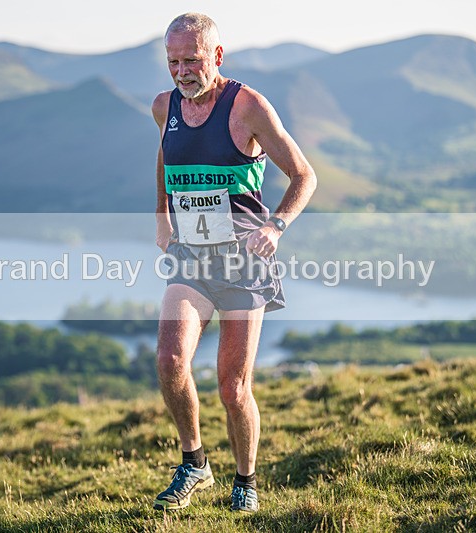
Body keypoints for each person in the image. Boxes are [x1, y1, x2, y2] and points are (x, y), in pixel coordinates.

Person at [150, 13, 317, 513]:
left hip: (244, 261)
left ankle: (245, 480)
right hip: (193, 259)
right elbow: (165, 155)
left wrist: (276, 225)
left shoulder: (248, 107)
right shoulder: (165, 106)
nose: (182, 72)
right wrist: (161, 216)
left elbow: (303, 176)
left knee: (233, 387)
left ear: (217, 56)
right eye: (173, 62)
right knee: (170, 360)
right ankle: (194, 462)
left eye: (192, 60)